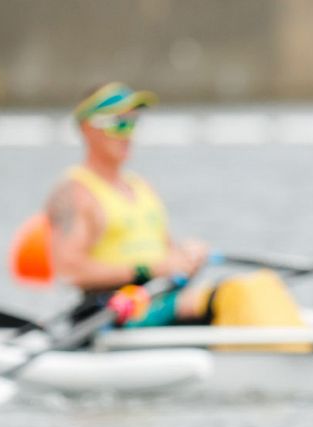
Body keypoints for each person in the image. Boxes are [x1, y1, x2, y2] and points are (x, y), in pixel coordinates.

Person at [41, 81, 211, 326]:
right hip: (110, 309)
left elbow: (165, 256)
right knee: (233, 296)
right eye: (118, 123)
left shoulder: (142, 187)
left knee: (257, 286)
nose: (128, 132)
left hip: (157, 297)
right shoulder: (75, 191)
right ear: (89, 128)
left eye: (133, 122)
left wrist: (186, 257)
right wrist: (146, 270)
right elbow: (70, 271)